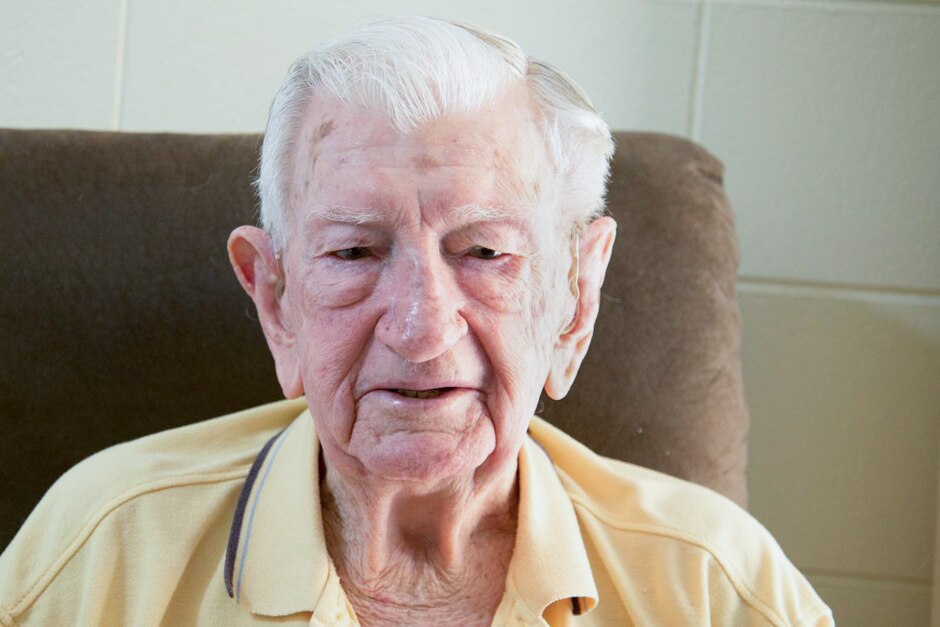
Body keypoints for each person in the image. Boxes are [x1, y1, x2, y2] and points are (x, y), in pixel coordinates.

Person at [0, 16, 832, 626]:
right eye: (356, 253)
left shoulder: (719, 589)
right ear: (277, 302)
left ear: (576, 299)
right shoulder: (101, 555)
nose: (421, 327)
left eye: (483, 253)